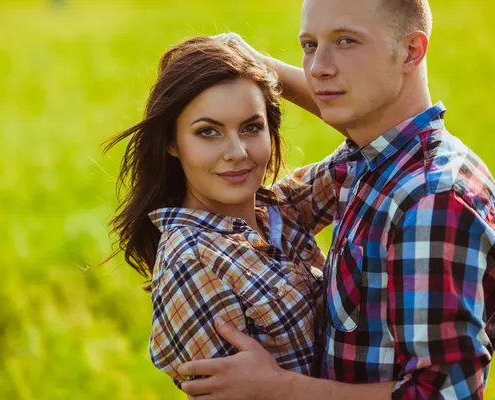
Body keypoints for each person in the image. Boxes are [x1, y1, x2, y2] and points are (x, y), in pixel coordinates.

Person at [177, 0, 495, 399]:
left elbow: (440, 394)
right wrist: (257, 67)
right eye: (308, 45)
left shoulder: (431, 200)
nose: (319, 67)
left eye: (347, 41)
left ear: (411, 50)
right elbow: (275, 206)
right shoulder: (370, 160)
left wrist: (277, 388)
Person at [102, 36, 340, 388]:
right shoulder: (192, 262)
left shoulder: (281, 209)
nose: (237, 152)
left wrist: (268, 69)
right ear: (172, 142)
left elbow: (381, 136)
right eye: (208, 132)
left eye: (251, 127)